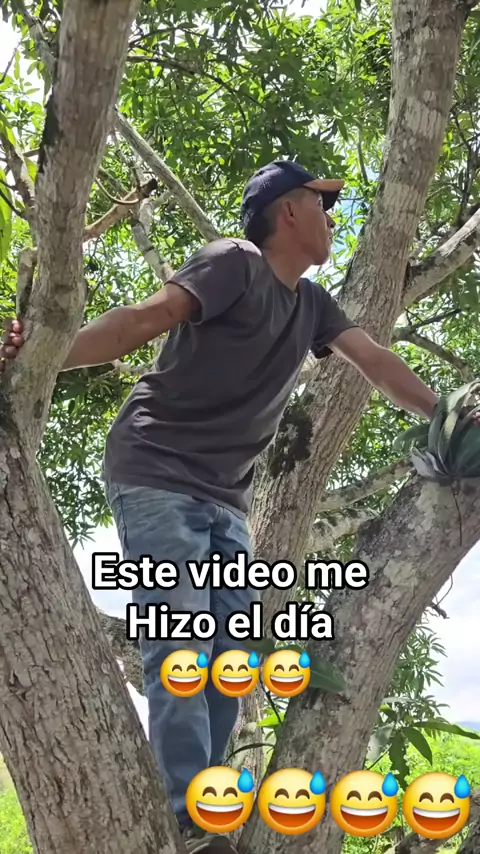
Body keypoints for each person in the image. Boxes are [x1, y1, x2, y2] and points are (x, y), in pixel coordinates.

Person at [1, 161, 440, 853]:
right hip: (157, 468)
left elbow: (377, 362)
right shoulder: (234, 261)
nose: (331, 218)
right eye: (321, 203)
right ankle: (188, 816)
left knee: (231, 662)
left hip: (225, 497)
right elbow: (144, 320)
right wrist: (43, 351)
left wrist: (449, 415)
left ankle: (203, 810)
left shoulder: (314, 305)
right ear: (287, 211)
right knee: (181, 640)